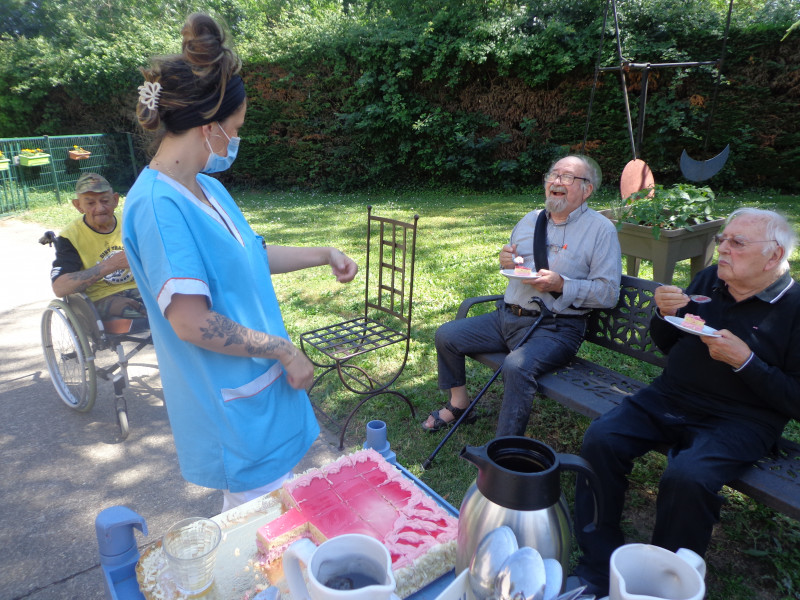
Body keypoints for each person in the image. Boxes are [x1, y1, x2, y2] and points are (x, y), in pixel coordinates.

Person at [123, 13, 358, 512]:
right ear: (208, 127)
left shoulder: (207, 187)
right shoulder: (157, 206)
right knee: (265, 544)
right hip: (232, 410)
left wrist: (323, 254)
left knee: (278, 528)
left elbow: (248, 256)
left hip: (264, 396)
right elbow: (189, 321)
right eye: (235, 129)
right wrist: (283, 350)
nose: (236, 140)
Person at [573, 207, 800, 597]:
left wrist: (746, 362)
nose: (722, 248)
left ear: (775, 256)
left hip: (742, 418)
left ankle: (664, 582)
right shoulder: (711, 280)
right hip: (671, 395)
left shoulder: (795, 308)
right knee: (601, 439)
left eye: (737, 242)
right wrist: (665, 314)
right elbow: (669, 342)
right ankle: (597, 563)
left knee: (688, 477)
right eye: (722, 239)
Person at [423, 155, 622, 435]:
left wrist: (562, 284)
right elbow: (515, 264)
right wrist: (506, 259)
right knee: (447, 335)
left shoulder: (601, 231)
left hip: (556, 327)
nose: (556, 181)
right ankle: (460, 405)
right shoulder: (530, 220)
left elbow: (608, 293)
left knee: (515, 366)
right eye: (553, 175)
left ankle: (503, 450)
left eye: (566, 177)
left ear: (587, 189)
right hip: (507, 317)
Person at [50, 172, 146, 321]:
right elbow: (60, 287)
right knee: (133, 311)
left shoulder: (130, 222)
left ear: (115, 200)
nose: (100, 208)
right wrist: (111, 264)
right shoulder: (70, 237)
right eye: (90, 203)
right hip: (101, 299)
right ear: (78, 206)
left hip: (141, 290)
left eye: (105, 200)